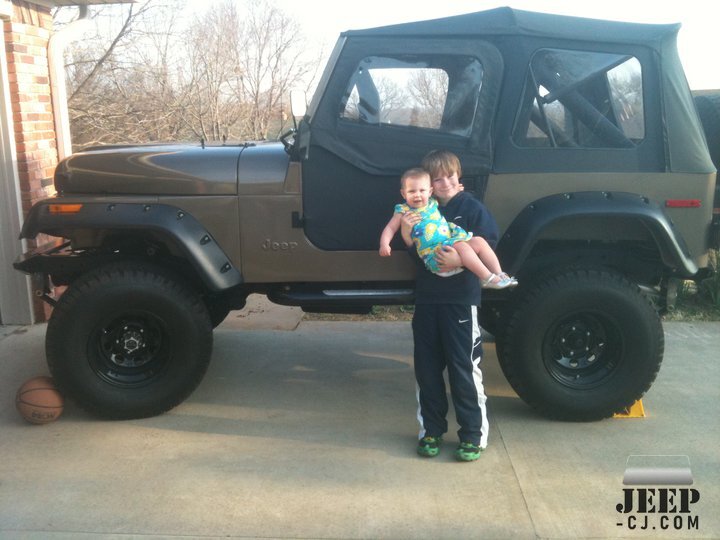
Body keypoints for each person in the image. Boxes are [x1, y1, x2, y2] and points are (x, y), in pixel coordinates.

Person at [403, 150, 501, 461]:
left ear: (459, 178)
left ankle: (472, 435)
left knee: (464, 369)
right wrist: (406, 230)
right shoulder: (419, 211)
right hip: (428, 300)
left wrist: (460, 258)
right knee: (427, 369)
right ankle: (431, 432)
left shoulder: (471, 209)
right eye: (437, 178)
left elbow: (487, 243)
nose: (445, 183)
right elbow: (414, 250)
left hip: (460, 302)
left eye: (451, 176)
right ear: (427, 185)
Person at [379, 168, 516, 289]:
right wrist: (384, 244)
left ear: (430, 191)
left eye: (422, 190)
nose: (418, 195)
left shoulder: (432, 202)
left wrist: (456, 188)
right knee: (462, 246)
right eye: (412, 191)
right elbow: (390, 228)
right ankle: (487, 278)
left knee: (479, 241)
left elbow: (445, 193)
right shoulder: (403, 210)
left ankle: (499, 274)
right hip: (435, 255)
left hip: (448, 243)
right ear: (403, 194)